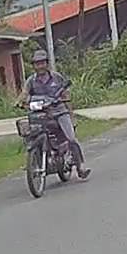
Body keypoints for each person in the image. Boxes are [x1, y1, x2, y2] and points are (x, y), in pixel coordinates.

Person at [16, 49, 91, 180]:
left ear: (47, 64)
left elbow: (66, 95)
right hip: (41, 114)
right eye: (37, 63)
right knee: (30, 135)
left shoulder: (56, 77)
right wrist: (19, 101)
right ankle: (35, 160)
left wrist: (71, 115)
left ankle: (80, 166)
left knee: (71, 139)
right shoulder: (31, 81)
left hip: (59, 112)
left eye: (42, 63)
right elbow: (24, 93)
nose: (40, 66)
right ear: (34, 66)